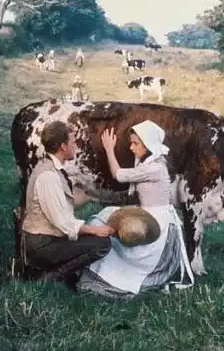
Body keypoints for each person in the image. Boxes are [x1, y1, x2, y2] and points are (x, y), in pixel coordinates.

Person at [76, 120, 195, 299]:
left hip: (156, 221)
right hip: (149, 213)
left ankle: (112, 273)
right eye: (131, 142)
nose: (131, 148)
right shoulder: (149, 163)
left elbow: (119, 175)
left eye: (135, 143)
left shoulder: (155, 168)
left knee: (121, 238)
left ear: (148, 145)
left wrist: (109, 149)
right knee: (103, 220)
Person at [19, 120, 115, 290]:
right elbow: (63, 222)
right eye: (73, 142)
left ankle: (62, 274)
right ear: (63, 147)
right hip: (41, 245)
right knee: (102, 244)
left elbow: (62, 204)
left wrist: (93, 195)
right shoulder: (48, 176)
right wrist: (96, 230)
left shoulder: (49, 166)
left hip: (43, 239)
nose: (76, 147)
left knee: (93, 237)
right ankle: (50, 279)